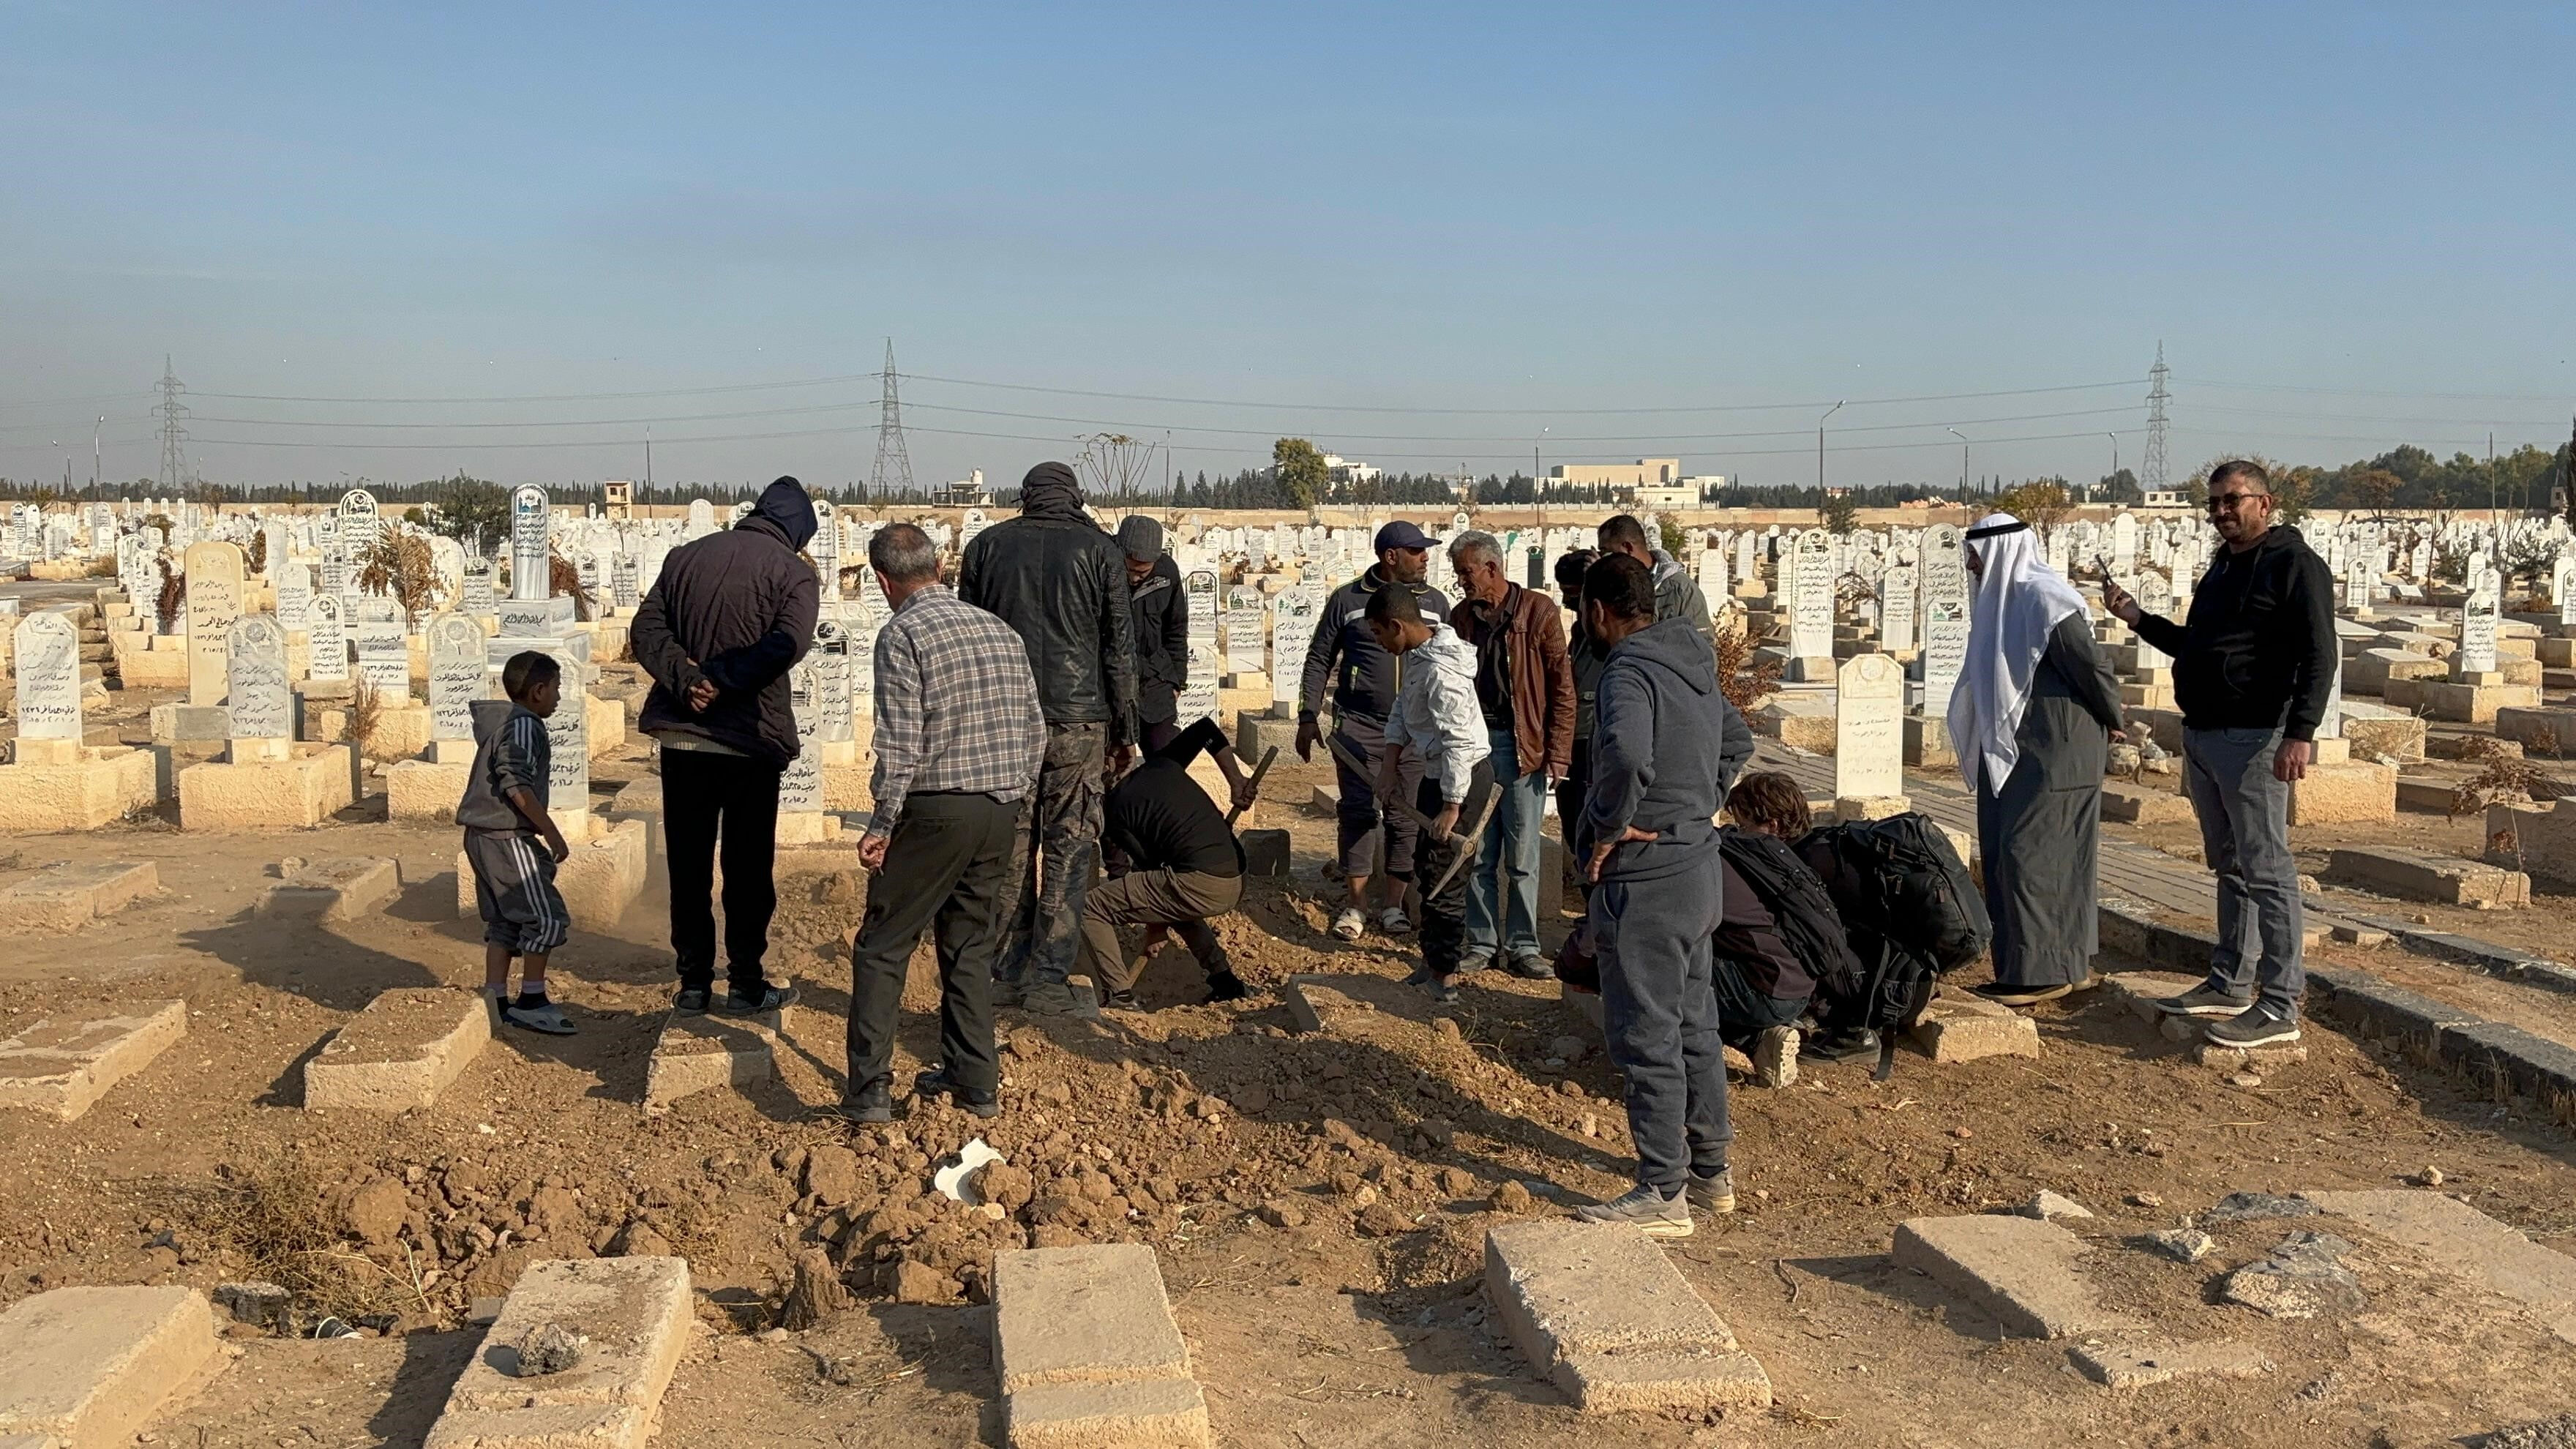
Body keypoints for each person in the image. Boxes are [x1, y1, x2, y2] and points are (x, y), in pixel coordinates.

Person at [2106, 461, 2335, 1050]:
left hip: (2256, 737)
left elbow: (2319, 655)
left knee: (2268, 871)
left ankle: (2280, 1003)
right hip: (2206, 736)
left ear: (2265, 502)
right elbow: (2196, 646)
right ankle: (2230, 981)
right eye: (2213, 504)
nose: (2221, 512)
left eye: (2232, 501)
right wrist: (2137, 619)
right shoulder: (2222, 569)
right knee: (2230, 865)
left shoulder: (2294, 565)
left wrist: (2300, 732)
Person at [839, 524, 1047, 1123]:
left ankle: (869, 1091)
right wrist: (1011, 796)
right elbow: (1035, 732)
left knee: (884, 944)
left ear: (883, 581)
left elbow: (901, 745)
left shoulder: (903, 633)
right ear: (936, 567)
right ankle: (975, 1082)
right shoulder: (997, 629)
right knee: (969, 948)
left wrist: (882, 823)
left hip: (936, 808)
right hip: (998, 810)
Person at [1573, 553, 1751, 1237]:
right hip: (1698, 866)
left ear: (1597, 611)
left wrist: (1607, 827)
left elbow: (1625, 755)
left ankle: (1661, 1191)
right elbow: (1736, 739)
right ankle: (1711, 1174)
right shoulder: (1690, 659)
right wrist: (1700, 799)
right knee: (1694, 1027)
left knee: (1646, 1033)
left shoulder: (1628, 670)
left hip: (1645, 877)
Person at [631, 475, 818, 1015]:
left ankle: (692, 983)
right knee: (746, 866)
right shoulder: (793, 574)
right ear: (798, 531)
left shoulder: (686, 556)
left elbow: (647, 630)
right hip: (747, 742)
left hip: (684, 738)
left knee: (688, 864)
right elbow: (788, 644)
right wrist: (723, 680)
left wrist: (687, 680)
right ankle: (745, 982)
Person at [959, 461, 1139, 1017]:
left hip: (1007, 718)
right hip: (1079, 719)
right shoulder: (1100, 550)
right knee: (1069, 846)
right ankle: (1049, 977)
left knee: (1012, 846)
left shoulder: (987, 547)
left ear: (1026, 496)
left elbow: (969, 635)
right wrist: (1125, 730)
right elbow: (1118, 646)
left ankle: (1007, 971)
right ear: (1074, 497)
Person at [1950, 512, 2127, 1006]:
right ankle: (2046, 966)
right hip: (2014, 747)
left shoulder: (2046, 600)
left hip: (2058, 749)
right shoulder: (2003, 603)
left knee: (2035, 854)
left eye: (1976, 555)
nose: (1970, 564)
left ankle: (2041, 973)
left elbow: (2089, 666)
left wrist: (2114, 716)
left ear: (2001, 552)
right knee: (2009, 854)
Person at [1296, 521, 1453, 942]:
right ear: (1390, 557)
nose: (1425, 558)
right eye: (1417, 551)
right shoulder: (1347, 599)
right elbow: (1319, 658)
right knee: (1359, 811)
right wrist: (1308, 714)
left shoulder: (1436, 603)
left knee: (1405, 816)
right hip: (1359, 726)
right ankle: (1356, 905)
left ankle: (1394, 906)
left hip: (1418, 730)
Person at [1446, 530, 1576, 979]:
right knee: (1478, 850)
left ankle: (1523, 945)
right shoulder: (1461, 618)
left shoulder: (1537, 612)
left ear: (1492, 569)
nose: (1462, 582)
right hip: (1476, 746)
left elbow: (1562, 686)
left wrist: (1558, 753)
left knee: (1522, 856)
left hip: (1524, 746)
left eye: (1467, 572)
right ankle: (1481, 942)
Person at [1364, 585, 1493, 1005]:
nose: (1380, 644)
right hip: (1437, 778)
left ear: (1398, 626)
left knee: (1446, 879)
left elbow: (1458, 741)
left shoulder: (1442, 672)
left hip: (1465, 780)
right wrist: (1388, 769)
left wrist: (1453, 807)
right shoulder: (1420, 660)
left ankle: (1446, 976)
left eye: (1381, 634)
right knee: (1426, 867)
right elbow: (1402, 714)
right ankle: (1431, 961)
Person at [1080, 718, 1258, 1010]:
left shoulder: (1114, 810)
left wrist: (1155, 929)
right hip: (1236, 875)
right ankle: (1226, 982)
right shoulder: (1163, 763)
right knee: (1174, 898)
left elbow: (1147, 871)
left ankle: (1120, 996)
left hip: (1202, 882)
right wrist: (1235, 780)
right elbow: (1206, 730)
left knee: (1090, 908)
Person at [459, 651, 577, 1036]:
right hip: (507, 836)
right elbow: (516, 784)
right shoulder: (525, 725)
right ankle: (532, 1000)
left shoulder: (504, 723)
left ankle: (495, 999)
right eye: (557, 689)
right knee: (545, 917)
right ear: (538, 691)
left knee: (507, 919)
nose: (559, 698)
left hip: (482, 836)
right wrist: (551, 830)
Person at [1712, 773, 1836, 1087]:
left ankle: (1753, 1040)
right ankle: (1765, 1034)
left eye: (1742, 823)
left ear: (1773, 824)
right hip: (1800, 989)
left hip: (1767, 991)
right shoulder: (1802, 860)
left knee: (1672, 974)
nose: (1735, 831)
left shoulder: (1745, 860)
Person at [1119, 516, 1191, 755]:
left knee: (1169, 761)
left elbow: (1176, 629)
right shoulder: (1101, 569)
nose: (1135, 578)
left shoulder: (1167, 573)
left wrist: (1177, 680)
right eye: (1130, 569)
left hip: (1155, 681)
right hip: (1113, 687)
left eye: (1143, 572)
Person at [1597, 514, 1714, 656]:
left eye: (1607, 552)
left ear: (1627, 548)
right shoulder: (1612, 585)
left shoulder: (1682, 591)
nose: (1604, 559)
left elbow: (1704, 653)